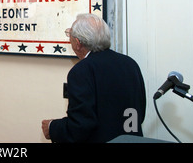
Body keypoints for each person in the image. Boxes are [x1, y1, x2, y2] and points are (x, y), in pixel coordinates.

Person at [41, 13, 146, 143]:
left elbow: (80, 126)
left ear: (78, 43)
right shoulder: (130, 64)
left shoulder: (82, 71)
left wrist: (52, 128)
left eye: (70, 35)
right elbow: (139, 114)